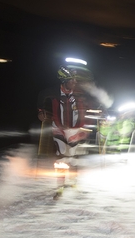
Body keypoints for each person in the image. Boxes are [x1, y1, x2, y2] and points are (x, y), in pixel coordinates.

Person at [37, 63, 95, 199]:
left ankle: (74, 183)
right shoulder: (53, 91)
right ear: (64, 81)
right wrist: (40, 111)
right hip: (59, 128)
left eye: (75, 79)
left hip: (75, 130)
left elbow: (92, 101)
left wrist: (98, 110)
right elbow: (41, 95)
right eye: (72, 80)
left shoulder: (79, 92)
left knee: (74, 158)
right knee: (62, 157)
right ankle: (60, 187)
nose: (75, 82)